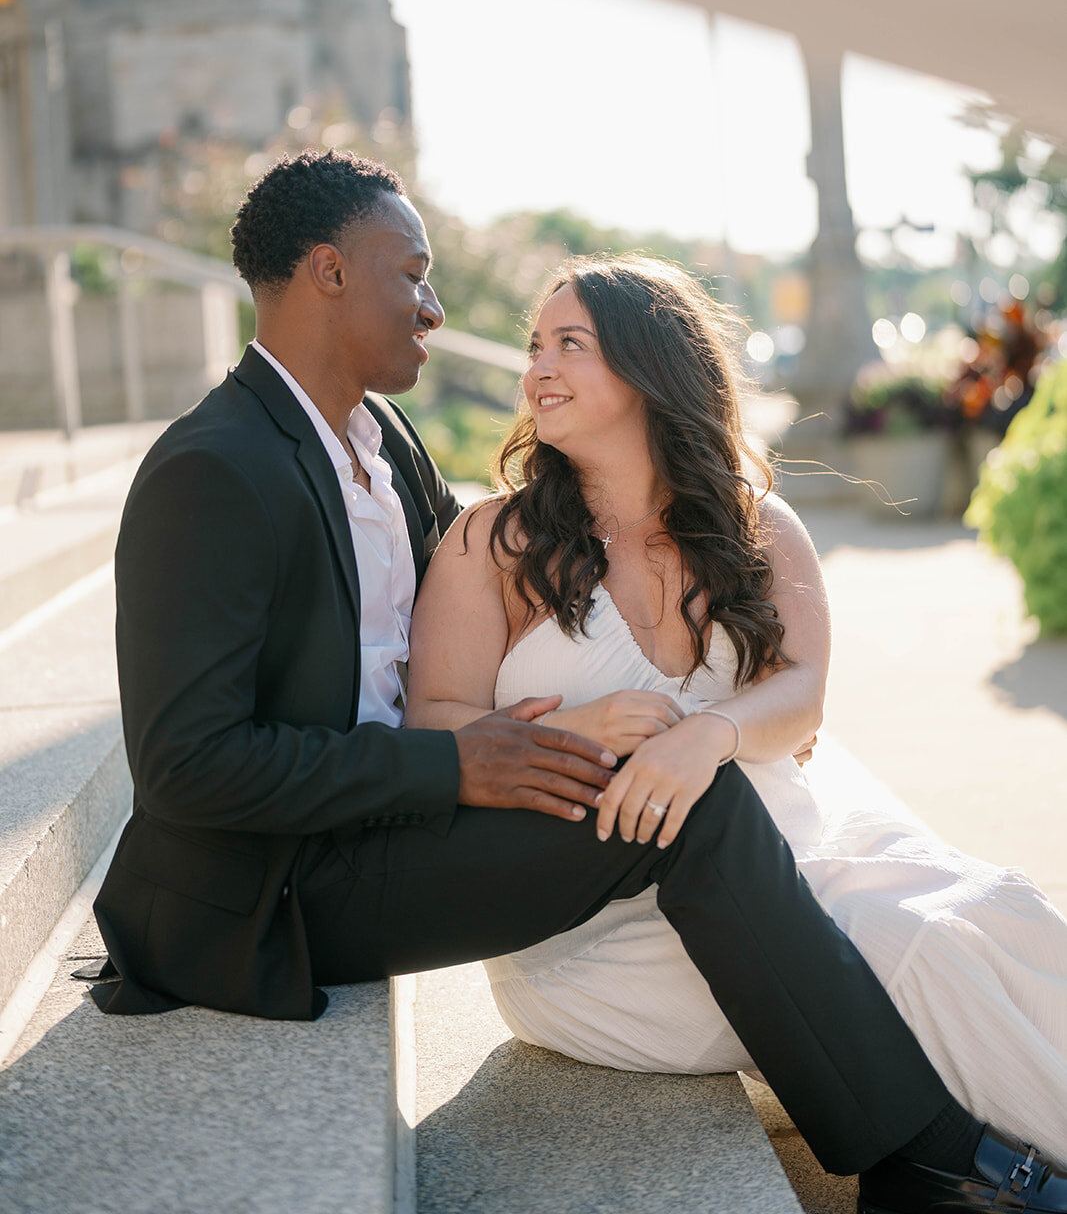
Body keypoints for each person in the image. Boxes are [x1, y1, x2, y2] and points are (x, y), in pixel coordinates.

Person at [91, 152, 1067, 1214]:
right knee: (698, 811)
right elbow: (187, 767)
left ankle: (922, 1158)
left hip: (399, 820)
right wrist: (458, 756)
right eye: (410, 272)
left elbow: (508, 598)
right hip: (277, 886)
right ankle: (926, 1159)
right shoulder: (214, 467)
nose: (434, 304)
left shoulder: (384, 445)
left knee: (813, 846)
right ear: (327, 271)